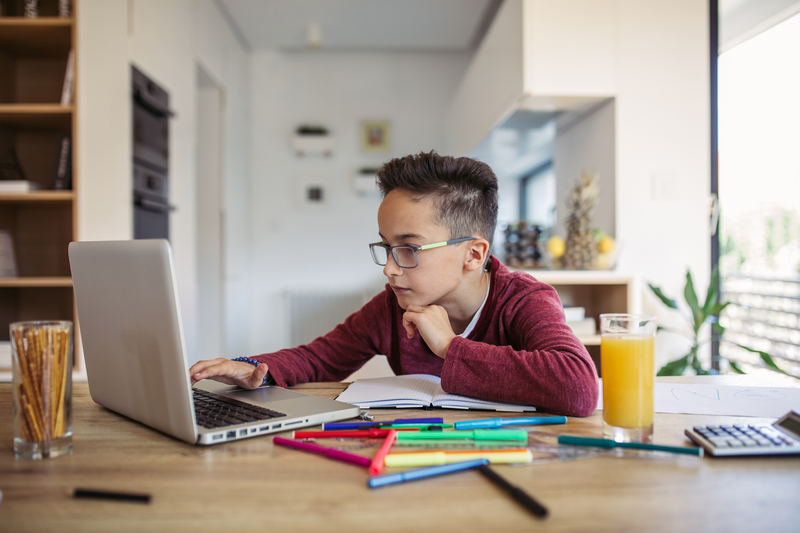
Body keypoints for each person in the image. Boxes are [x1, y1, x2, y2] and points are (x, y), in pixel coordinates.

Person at [189, 151, 599, 417]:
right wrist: (249, 368)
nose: (388, 268)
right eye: (385, 247)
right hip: (417, 454)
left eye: (408, 248)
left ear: (473, 255)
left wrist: (450, 347)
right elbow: (320, 358)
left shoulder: (523, 300)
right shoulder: (393, 305)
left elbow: (579, 387)